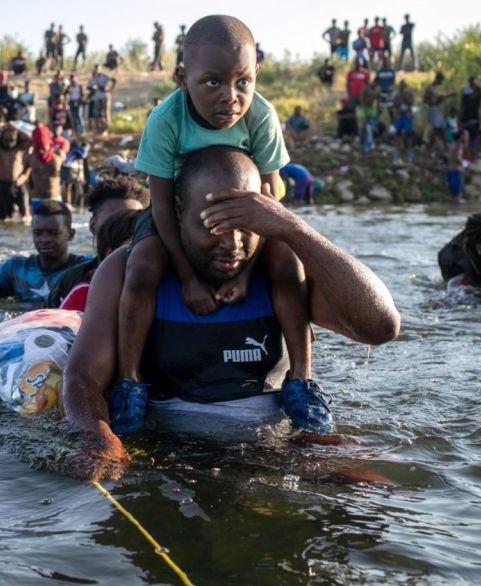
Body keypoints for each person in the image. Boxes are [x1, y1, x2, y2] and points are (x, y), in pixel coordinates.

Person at [64, 146, 400, 479]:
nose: (233, 244)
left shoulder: (281, 274)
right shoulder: (128, 272)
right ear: (179, 212)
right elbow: (82, 376)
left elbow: (380, 327)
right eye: (216, 225)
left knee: (382, 495)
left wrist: (294, 230)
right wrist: (98, 439)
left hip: (275, 446)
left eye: (246, 225)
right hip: (166, 449)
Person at [119, 16, 317, 432]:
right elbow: (159, 205)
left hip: (250, 221)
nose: (231, 97)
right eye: (212, 83)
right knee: (140, 266)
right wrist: (188, 276)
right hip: (178, 217)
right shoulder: (165, 120)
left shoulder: (261, 116)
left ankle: (302, 378)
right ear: (182, 78)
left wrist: (247, 270)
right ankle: (131, 381)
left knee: (289, 263)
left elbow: (271, 201)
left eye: (243, 82)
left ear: (255, 75)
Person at [0, 200, 90, 304]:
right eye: (38, 233)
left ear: (71, 234)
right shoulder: (15, 269)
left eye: (53, 233)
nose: (44, 239)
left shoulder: (85, 269)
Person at [45, 176, 148, 309]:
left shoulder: (163, 279)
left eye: (133, 219)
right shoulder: (73, 281)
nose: (123, 227)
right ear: (93, 226)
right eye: (112, 221)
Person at [0, 123, 32, 221]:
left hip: (18, 184)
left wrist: (16, 129)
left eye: (11, 140)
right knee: (3, 219)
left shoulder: (20, 148)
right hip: (3, 185)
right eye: (6, 140)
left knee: (25, 217)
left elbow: (31, 141)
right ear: (2, 138)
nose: (8, 142)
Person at [27, 123, 67, 200]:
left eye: (44, 147)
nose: (42, 150)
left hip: (54, 197)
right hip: (37, 198)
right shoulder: (31, 157)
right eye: (39, 147)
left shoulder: (58, 155)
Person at [459, 76, 481, 155]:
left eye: (473, 82)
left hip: (475, 114)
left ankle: (477, 150)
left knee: (477, 132)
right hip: (466, 114)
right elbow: (462, 104)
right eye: (471, 82)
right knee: (465, 131)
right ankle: (466, 150)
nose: (472, 84)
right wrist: (460, 114)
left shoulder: (479, 90)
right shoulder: (466, 90)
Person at [424, 71, 449, 150]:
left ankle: (441, 146)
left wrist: (441, 99)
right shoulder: (430, 88)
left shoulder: (435, 88)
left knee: (440, 129)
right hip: (432, 109)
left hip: (436, 109)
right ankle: (443, 147)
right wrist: (435, 100)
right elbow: (425, 100)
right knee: (438, 129)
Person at [391, 80, 415, 159]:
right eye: (401, 85)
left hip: (407, 115)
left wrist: (405, 96)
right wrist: (395, 115)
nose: (402, 87)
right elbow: (394, 106)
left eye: (404, 85)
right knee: (398, 133)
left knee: (409, 133)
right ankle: (396, 150)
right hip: (399, 115)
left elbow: (411, 102)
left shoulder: (409, 94)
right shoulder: (396, 95)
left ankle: (409, 151)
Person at [447, 130, 468, 204]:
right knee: (457, 198)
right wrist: (465, 165)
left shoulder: (452, 144)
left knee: (453, 197)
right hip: (455, 170)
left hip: (450, 170)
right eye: (465, 135)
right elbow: (457, 158)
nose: (467, 138)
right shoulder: (459, 145)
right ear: (461, 136)